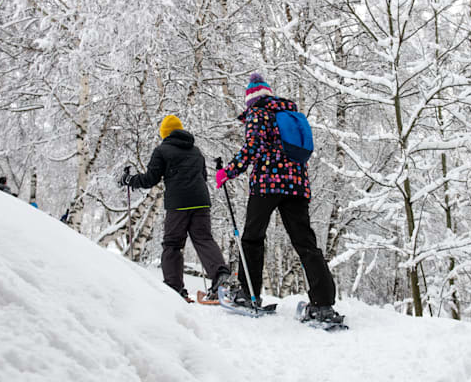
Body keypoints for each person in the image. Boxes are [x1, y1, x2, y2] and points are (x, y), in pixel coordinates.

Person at [215, 73, 343, 324]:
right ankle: (323, 303)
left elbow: (251, 147)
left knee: (252, 238)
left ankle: (248, 294)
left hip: (267, 184)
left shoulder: (258, 113)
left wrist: (227, 172)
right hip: (297, 186)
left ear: (250, 99)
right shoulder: (289, 113)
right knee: (306, 243)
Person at [119, 114, 231, 303]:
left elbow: (149, 180)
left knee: (172, 244)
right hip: (201, 201)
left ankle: (174, 288)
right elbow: (203, 176)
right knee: (203, 238)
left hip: (178, 204)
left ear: (165, 133)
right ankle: (220, 275)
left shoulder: (162, 151)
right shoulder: (196, 151)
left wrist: (130, 180)